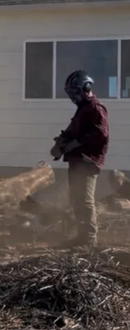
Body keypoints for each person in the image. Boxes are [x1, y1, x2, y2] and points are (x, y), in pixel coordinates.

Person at [51, 70, 109, 247]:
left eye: (75, 92)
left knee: (85, 200)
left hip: (87, 161)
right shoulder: (82, 110)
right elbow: (73, 130)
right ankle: (81, 236)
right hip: (77, 161)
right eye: (71, 93)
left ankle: (89, 239)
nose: (73, 97)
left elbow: (100, 134)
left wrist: (78, 141)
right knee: (77, 199)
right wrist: (62, 142)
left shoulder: (95, 108)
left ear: (86, 88)